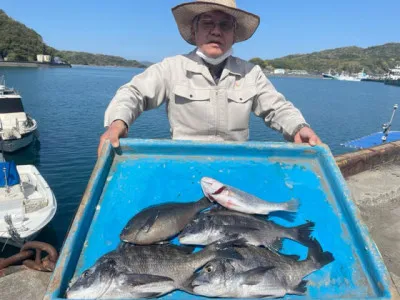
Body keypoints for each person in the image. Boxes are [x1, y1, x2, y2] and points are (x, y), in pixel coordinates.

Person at [98, 0, 321, 156]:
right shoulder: (171, 68)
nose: (216, 31)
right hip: (184, 162)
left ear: (234, 35)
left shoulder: (251, 73)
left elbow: (278, 108)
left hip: (235, 164)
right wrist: (118, 122)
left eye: (225, 25)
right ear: (194, 31)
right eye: (207, 23)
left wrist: (299, 127)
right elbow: (133, 93)